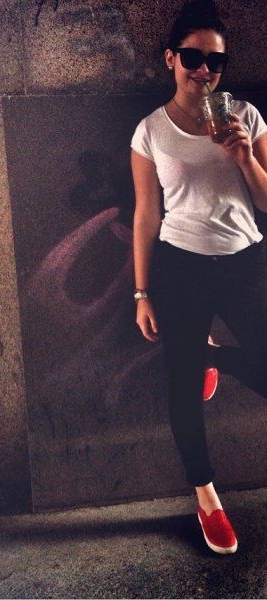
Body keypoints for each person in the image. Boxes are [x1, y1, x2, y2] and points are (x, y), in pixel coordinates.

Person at [131, 0, 267, 555]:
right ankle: (207, 497)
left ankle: (213, 358)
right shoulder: (150, 132)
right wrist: (142, 292)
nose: (203, 70)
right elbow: (147, 215)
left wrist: (245, 158)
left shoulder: (247, 117)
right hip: (181, 266)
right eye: (192, 57)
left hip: (244, 262)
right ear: (171, 58)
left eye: (215, 61)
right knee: (181, 387)